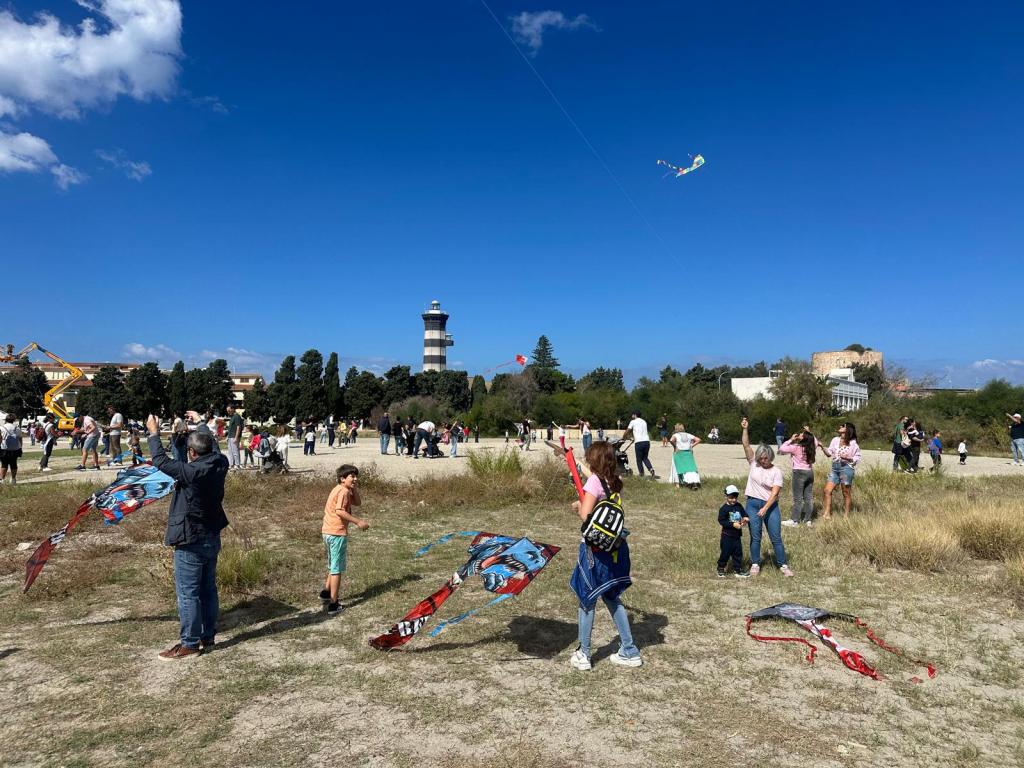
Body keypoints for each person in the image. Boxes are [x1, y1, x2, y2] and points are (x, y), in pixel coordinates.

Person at [146, 414, 229, 660]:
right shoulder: (220, 462)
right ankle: (207, 635)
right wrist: (180, 435)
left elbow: (160, 461)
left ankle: (190, 643)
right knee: (208, 588)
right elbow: (201, 450)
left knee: (188, 593)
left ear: (193, 453)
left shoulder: (190, 473)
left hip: (190, 538)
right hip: (211, 535)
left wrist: (153, 432)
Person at [568, 441, 642, 670]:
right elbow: (596, 483)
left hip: (594, 550)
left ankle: (584, 653)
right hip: (613, 549)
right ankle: (629, 650)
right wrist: (576, 464)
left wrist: (576, 506)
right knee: (611, 597)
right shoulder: (613, 481)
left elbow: (586, 515)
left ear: (596, 460)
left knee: (586, 598)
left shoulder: (594, 482)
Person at [740, 418, 792, 577]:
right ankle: (755, 563)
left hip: (770, 506)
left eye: (765, 458)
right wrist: (745, 429)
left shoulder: (776, 471)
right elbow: (746, 445)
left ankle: (783, 565)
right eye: (760, 458)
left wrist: (765, 508)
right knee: (755, 536)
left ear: (770, 457)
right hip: (752, 504)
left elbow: (775, 493)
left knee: (775, 537)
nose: (763, 461)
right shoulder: (753, 464)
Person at [320, 464, 370, 614]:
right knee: (337, 568)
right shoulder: (343, 492)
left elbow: (358, 502)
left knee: (332, 564)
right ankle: (334, 604)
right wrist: (358, 521)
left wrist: (353, 487)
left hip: (328, 531)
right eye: (351, 476)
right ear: (342, 478)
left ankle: (326, 593)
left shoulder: (342, 489)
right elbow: (340, 511)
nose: (355, 479)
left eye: (356, 476)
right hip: (336, 533)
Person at [820, 422, 861, 519]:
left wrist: (849, 458)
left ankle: (846, 515)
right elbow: (829, 453)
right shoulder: (835, 440)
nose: (840, 427)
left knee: (845, 492)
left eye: (843, 426)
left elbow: (857, 457)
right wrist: (822, 447)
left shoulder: (853, 443)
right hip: (835, 468)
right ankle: (827, 513)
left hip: (845, 469)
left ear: (848, 430)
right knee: (827, 490)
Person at [780, 429, 818, 527]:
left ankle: (794, 520)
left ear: (803, 438)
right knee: (808, 497)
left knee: (798, 498)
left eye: (801, 435)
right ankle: (808, 520)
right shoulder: (812, 447)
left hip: (798, 473)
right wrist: (810, 432)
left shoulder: (796, 447)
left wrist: (791, 439)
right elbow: (815, 441)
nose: (799, 435)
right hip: (809, 472)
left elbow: (782, 448)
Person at [717, 485, 750, 577]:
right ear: (726, 496)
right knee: (725, 553)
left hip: (737, 535)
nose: (734, 500)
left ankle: (738, 570)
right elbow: (721, 521)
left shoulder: (739, 506)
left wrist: (745, 518)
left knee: (738, 553)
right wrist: (732, 524)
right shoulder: (724, 509)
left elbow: (744, 514)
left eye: (735, 497)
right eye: (731, 497)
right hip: (727, 536)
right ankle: (721, 568)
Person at [668, 423, 702, 488]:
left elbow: (671, 440)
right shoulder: (688, 435)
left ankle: (678, 484)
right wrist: (691, 446)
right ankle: (693, 482)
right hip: (688, 453)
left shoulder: (675, 435)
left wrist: (675, 447)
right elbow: (698, 440)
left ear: (676, 429)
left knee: (677, 468)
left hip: (679, 453)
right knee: (690, 468)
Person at [625, 411, 656, 478]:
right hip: (647, 441)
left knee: (639, 459)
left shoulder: (633, 421)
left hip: (639, 442)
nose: (631, 416)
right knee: (645, 458)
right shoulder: (644, 421)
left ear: (635, 415)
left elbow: (628, 430)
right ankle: (651, 469)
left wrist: (623, 436)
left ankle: (641, 473)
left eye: (632, 415)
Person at [0, 414, 22, 485]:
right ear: (14, 420)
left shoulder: (2, 427)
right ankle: (13, 479)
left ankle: (2, 479)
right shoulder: (17, 428)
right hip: (15, 449)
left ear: (6, 420)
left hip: (4, 448)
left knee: (4, 464)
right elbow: (20, 438)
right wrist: (20, 447)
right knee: (14, 464)